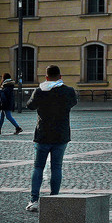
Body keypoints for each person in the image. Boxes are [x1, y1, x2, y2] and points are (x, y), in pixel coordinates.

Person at [25, 66, 78, 212]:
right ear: (60, 76)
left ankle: (34, 200)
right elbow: (73, 103)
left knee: (38, 167)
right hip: (61, 135)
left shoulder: (40, 91)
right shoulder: (68, 91)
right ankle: (54, 198)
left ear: (46, 77)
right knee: (56, 167)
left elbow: (30, 106)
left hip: (43, 134)